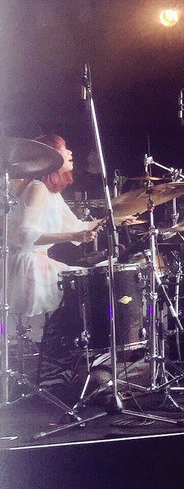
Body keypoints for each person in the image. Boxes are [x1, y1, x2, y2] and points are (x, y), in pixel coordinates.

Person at [7, 136, 99, 339]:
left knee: (85, 283)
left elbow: (78, 227)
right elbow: (25, 235)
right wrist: (73, 235)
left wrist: (116, 218)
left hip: (39, 263)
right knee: (84, 286)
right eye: (64, 148)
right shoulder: (37, 188)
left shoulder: (53, 194)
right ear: (50, 156)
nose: (70, 152)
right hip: (29, 266)